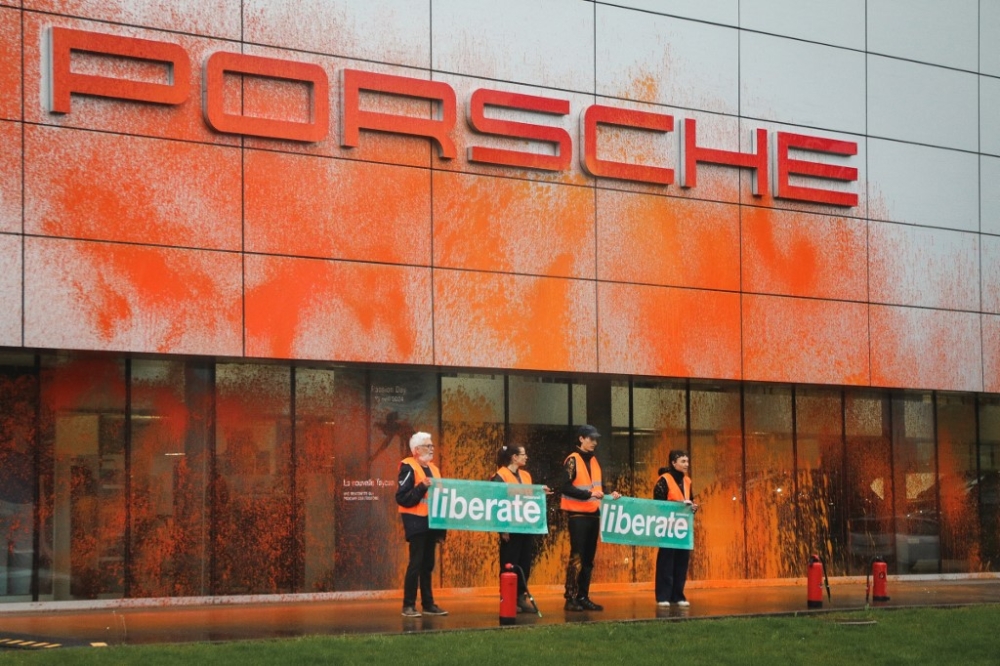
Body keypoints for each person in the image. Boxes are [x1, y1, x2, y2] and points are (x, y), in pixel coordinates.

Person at [559, 424, 620, 612]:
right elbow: (565, 486)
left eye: (596, 439)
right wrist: (589, 495)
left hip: (593, 514)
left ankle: (583, 596)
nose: (594, 442)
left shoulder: (593, 461)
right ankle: (570, 598)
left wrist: (610, 493)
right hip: (578, 515)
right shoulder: (573, 460)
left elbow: (597, 487)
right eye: (591, 439)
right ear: (581, 439)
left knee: (588, 559)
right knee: (577, 557)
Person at [395, 431, 448, 618]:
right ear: (416, 450)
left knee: (428, 564)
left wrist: (441, 530)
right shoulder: (408, 467)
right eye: (428, 446)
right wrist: (422, 486)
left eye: (432, 445)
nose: (432, 448)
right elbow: (402, 497)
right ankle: (408, 605)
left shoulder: (434, 469)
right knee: (416, 563)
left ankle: (428, 604)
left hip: (432, 523)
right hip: (416, 521)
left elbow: (441, 499)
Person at [492, 444, 547, 614]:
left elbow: (528, 497)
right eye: (523, 454)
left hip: (526, 526)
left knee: (524, 563)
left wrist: (540, 492)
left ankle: (520, 597)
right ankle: (508, 598)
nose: (526, 457)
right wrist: (502, 529)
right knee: (510, 563)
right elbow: (496, 504)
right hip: (511, 528)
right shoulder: (500, 476)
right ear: (514, 457)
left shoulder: (526, 475)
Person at [653, 449, 699, 608]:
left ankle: (678, 595)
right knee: (666, 561)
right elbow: (657, 504)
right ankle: (663, 596)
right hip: (667, 526)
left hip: (682, 527)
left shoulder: (687, 481)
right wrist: (679, 505)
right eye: (683, 461)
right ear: (673, 463)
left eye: (687, 461)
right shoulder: (663, 480)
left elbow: (690, 499)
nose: (686, 464)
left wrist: (692, 507)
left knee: (681, 562)